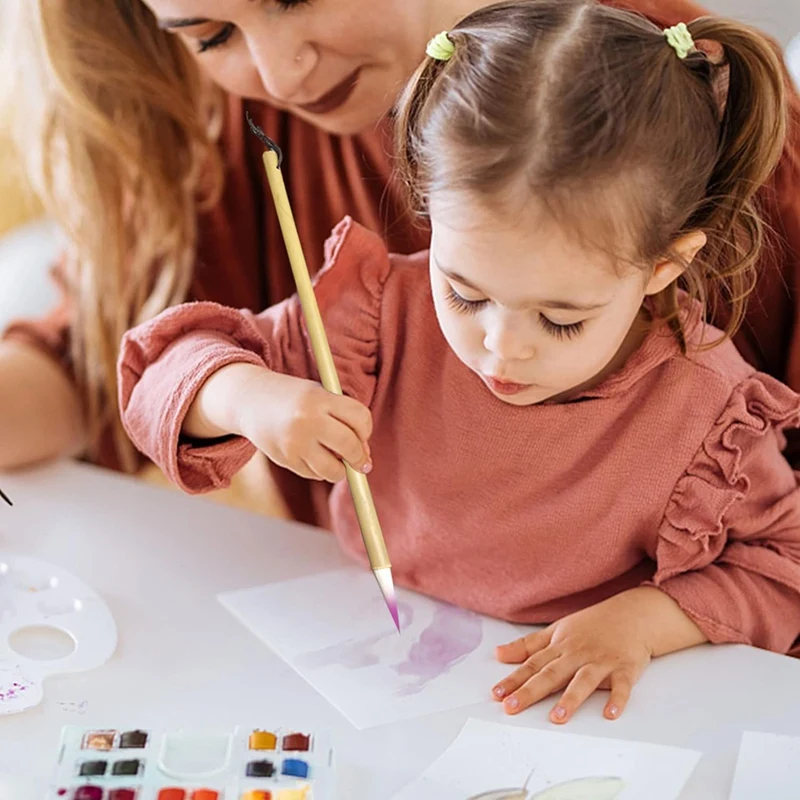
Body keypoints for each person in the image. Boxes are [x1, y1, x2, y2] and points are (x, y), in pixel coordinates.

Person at [117, 0, 800, 723]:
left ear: (665, 265)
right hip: (361, 660)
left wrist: (646, 620)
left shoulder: (708, 413)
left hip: (577, 712)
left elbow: (782, 570)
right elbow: (159, 367)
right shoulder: (379, 318)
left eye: (561, 318)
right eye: (466, 294)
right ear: (428, 212)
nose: (503, 348)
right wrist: (247, 398)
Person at [0, 0, 799, 509]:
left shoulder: (678, 113)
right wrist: (241, 396)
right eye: (211, 35)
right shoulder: (240, 134)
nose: (278, 75)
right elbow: (112, 364)